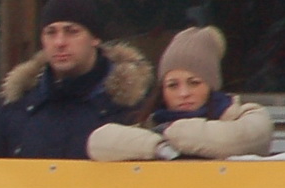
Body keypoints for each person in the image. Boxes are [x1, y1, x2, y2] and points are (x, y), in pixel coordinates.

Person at [0, 0, 153, 159]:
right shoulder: (17, 106)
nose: (59, 42)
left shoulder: (131, 107)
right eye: (51, 32)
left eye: (72, 31)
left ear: (95, 38)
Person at [88, 26, 274, 161]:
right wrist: (158, 147)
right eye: (172, 85)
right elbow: (99, 142)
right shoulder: (151, 123)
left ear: (211, 85)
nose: (183, 93)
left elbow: (249, 138)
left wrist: (173, 135)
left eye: (194, 83)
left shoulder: (242, 114)